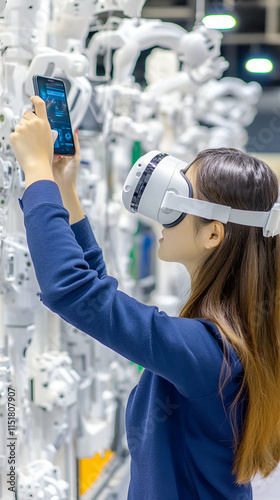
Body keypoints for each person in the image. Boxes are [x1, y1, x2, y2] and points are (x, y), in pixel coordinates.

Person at [9, 96, 280, 500]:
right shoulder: (227, 340)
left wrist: (35, 174)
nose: (159, 214)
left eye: (177, 198)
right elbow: (94, 287)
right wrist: (63, 186)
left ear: (212, 235)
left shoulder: (208, 353)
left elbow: (73, 289)